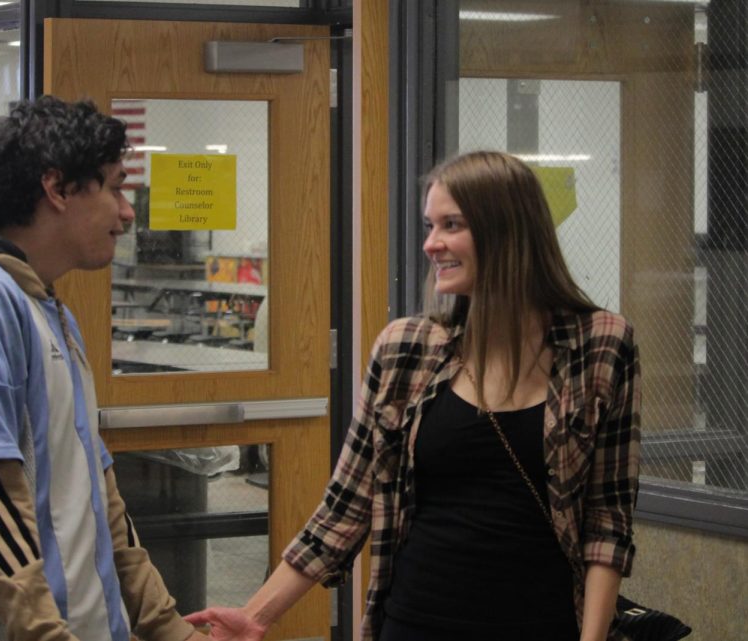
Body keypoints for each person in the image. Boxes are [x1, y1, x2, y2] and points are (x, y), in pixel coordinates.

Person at [185, 151, 641, 641]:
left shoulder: (601, 346)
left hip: (543, 623)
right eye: (429, 225)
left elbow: (607, 522)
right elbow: (344, 507)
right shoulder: (406, 350)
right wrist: (255, 617)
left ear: (507, 230)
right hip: (416, 621)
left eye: (451, 224)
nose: (431, 244)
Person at [0, 96, 207, 641]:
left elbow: (97, 494)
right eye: (112, 186)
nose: (126, 212)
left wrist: (163, 623)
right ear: (56, 189)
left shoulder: (45, 309)